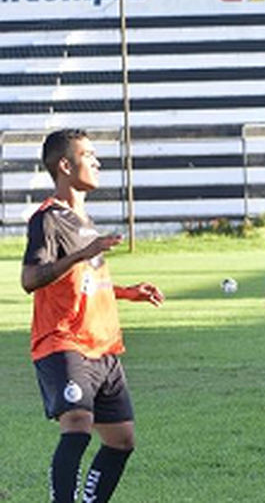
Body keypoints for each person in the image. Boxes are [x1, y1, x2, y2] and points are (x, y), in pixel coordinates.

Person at [22, 129, 164, 502]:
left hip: (102, 347)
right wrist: (81, 255)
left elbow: (81, 281)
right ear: (65, 165)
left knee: (121, 440)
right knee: (78, 425)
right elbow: (31, 278)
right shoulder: (48, 219)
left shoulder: (82, 219)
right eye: (89, 154)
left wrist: (127, 292)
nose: (98, 161)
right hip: (63, 341)